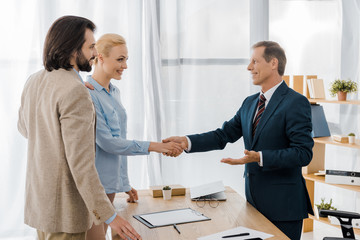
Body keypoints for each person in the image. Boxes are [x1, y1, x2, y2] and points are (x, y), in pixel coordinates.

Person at [163, 41, 314, 240]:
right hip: (253, 203)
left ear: (273, 63)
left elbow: (303, 153)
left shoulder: (296, 102)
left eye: (254, 61)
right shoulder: (250, 103)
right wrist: (186, 142)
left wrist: (259, 157)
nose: (249, 67)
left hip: (284, 207)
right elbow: (222, 135)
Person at [17, 16, 141, 240]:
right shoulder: (76, 91)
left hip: (40, 206)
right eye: (91, 46)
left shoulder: (34, 80)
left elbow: (25, 129)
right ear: (74, 49)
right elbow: (82, 165)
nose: (95, 53)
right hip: (65, 212)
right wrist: (110, 217)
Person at [84, 33, 183, 240]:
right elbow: (108, 143)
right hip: (95, 188)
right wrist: (156, 146)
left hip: (110, 187)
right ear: (100, 57)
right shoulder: (88, 93)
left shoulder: (114, 92)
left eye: (126, 59)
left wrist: (124, 183)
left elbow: (118, 139)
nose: (125, 66)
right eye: (120, 59)